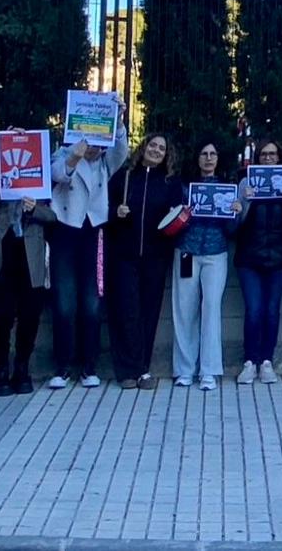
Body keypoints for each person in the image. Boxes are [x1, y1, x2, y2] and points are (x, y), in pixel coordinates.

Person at [47, 95, 130, 389]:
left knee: (92, 303)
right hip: (65, 232)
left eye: (100, 142)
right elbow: (56, 175)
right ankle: (61, 367)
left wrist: (118, 119)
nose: (96, 147)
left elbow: (122, 150)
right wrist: (75, 155)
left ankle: (89, 365)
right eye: (91, 141)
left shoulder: (105, 163)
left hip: (94, 232)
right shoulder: (63, 153)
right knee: (64, 302)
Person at [0, 149, 53, 396]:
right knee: (2, 315)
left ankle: (22, 367)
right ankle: (0, 370)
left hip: (31, 255)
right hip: (1, 254)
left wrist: (34, 209)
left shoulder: (43, 179)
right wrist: (1, 148)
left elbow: (54, 215)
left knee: (30, 314)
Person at [106, 133, 180, 390]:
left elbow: (178, 221)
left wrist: (174, 222)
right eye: (153, 145)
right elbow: (103, 211)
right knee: (126, 312)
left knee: (149, 313)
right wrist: (116, 213)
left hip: (155, 259)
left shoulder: (170, 183)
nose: (156, 150)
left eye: (162, 148)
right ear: (144, 147)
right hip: (123, 257)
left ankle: (143, 369)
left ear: (166, 155)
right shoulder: (123, 176)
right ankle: (126, 370)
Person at [172, 140, 240, 392]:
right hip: (187, 252)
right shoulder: (183, 188)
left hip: (215, 253)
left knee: (211, 308)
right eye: (204, 154)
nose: (209, 158)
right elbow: (173, 224)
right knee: (184, 309)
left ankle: (209, 370)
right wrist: (181, 213)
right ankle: (184, 370)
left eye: (213, 154)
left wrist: (236, 212)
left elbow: (232, 229)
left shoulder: (226, 187)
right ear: (197, 158)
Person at [234, 140, 282, 385]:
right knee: (254, 310)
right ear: (257, 157)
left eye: (273, 154)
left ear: (280, 157)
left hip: (280, 257)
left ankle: (266, 361)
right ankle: (249, 361)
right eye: (264, 154)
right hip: (249, 257)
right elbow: (236, 223)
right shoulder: (245, 183)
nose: (269, 158)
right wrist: (245, 202)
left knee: (272, 310)